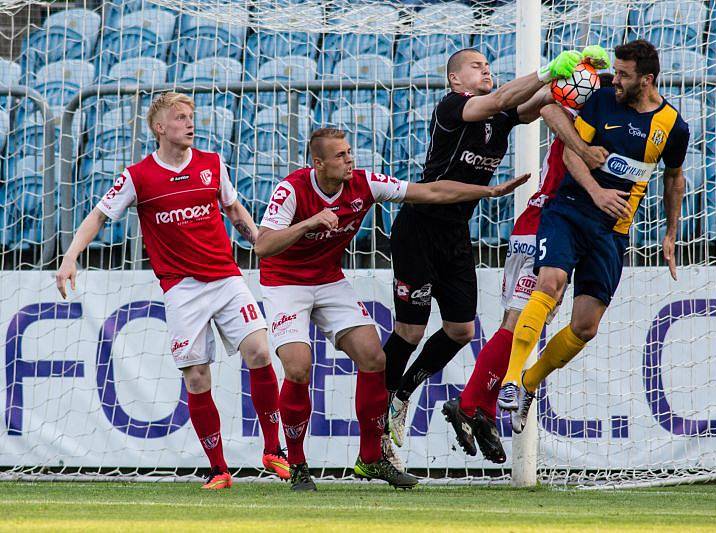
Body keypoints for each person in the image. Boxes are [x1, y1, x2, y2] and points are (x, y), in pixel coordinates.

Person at [254, 127, 529, 491]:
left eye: (350, 151)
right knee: (299, 368)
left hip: (328, 280)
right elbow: (263, 246)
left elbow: (431, 191)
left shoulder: (366, 184)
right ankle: (299, 464)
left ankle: (371, 459)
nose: (350, 159)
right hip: (286, 285)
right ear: (317, 163)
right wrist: (309, 222)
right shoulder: (292, 190)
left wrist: (489, 191)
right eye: (340, 156)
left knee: (374, 358)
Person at [383, 46, 611, 454]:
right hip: (419, 225)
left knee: (460, 330)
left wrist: (585, 74)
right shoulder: (453, 108)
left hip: (455, 233)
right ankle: (380, 409)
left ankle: (403, 395)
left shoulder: (500, 117)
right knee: (411, 331)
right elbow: (506, 97)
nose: (486, 70)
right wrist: (546, 69)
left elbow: (541, 100)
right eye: (476, 66)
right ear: (455, 79)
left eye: (489, 65)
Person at [55, 92, 288, 489]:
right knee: (197, 378)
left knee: (261, 351)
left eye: (191, 116)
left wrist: (259, 241)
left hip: (227, 278)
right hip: (182, 289)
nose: (190, 123)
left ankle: (272, 450)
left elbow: (234, 210)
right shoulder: (138, 176)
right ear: (160, 128)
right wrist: (70, 257)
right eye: (181, 117)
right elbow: (98, 215)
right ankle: (218, 469)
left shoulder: (212, 165)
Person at [497, 40, 690, 416]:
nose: (614, 79)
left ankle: (528, 384)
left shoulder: (672, 126)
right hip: (568, 210)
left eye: (623, 75)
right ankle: (509, 380)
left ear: (647, 80)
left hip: (613, 231)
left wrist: (670, 233)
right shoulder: (601, 101)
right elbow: (571, 151)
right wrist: (597, 191)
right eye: (615, 71)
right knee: (549, 284)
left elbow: (674, 178)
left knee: (585, 327)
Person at [443, 73, 615, 463]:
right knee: (519, 321)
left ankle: (482, 408)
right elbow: (548, 104)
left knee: (528, 322)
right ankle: (470, 404)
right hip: (543, 225)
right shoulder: (584, 125)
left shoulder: (591, 124)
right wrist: (564, 73)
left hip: (549, 227)